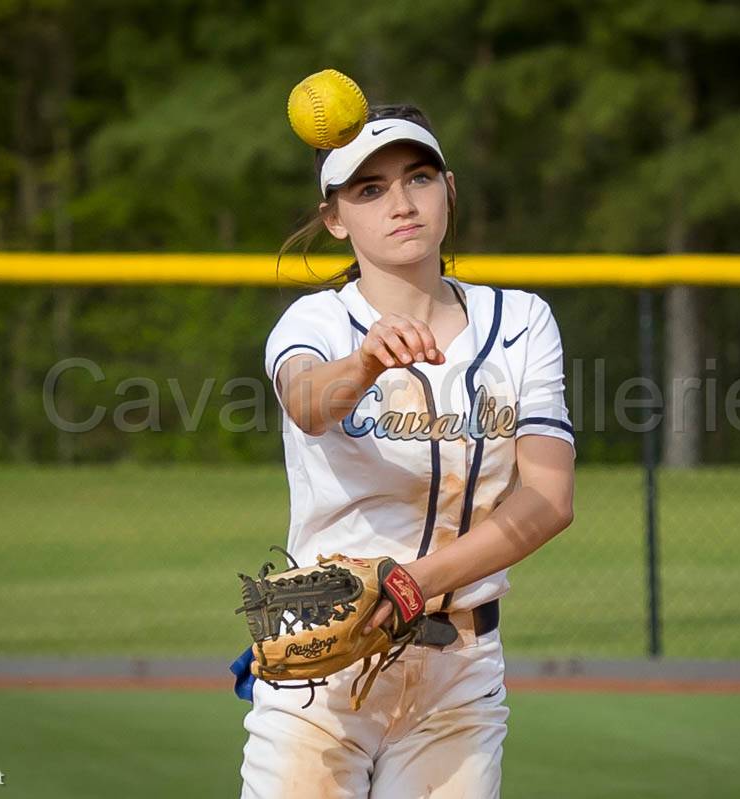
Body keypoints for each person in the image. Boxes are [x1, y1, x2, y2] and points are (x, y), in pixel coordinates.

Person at [234, 103, 576, 798]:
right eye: (369, 189)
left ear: (448, 188)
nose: (401, 202)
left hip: (459, 675)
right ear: (335, 218)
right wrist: (361, 365)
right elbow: (306, 401)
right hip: (325, 670)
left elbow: (548, 498)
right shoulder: (318, 321)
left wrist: (415, 582)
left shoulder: (520, 321)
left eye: (417, 178)